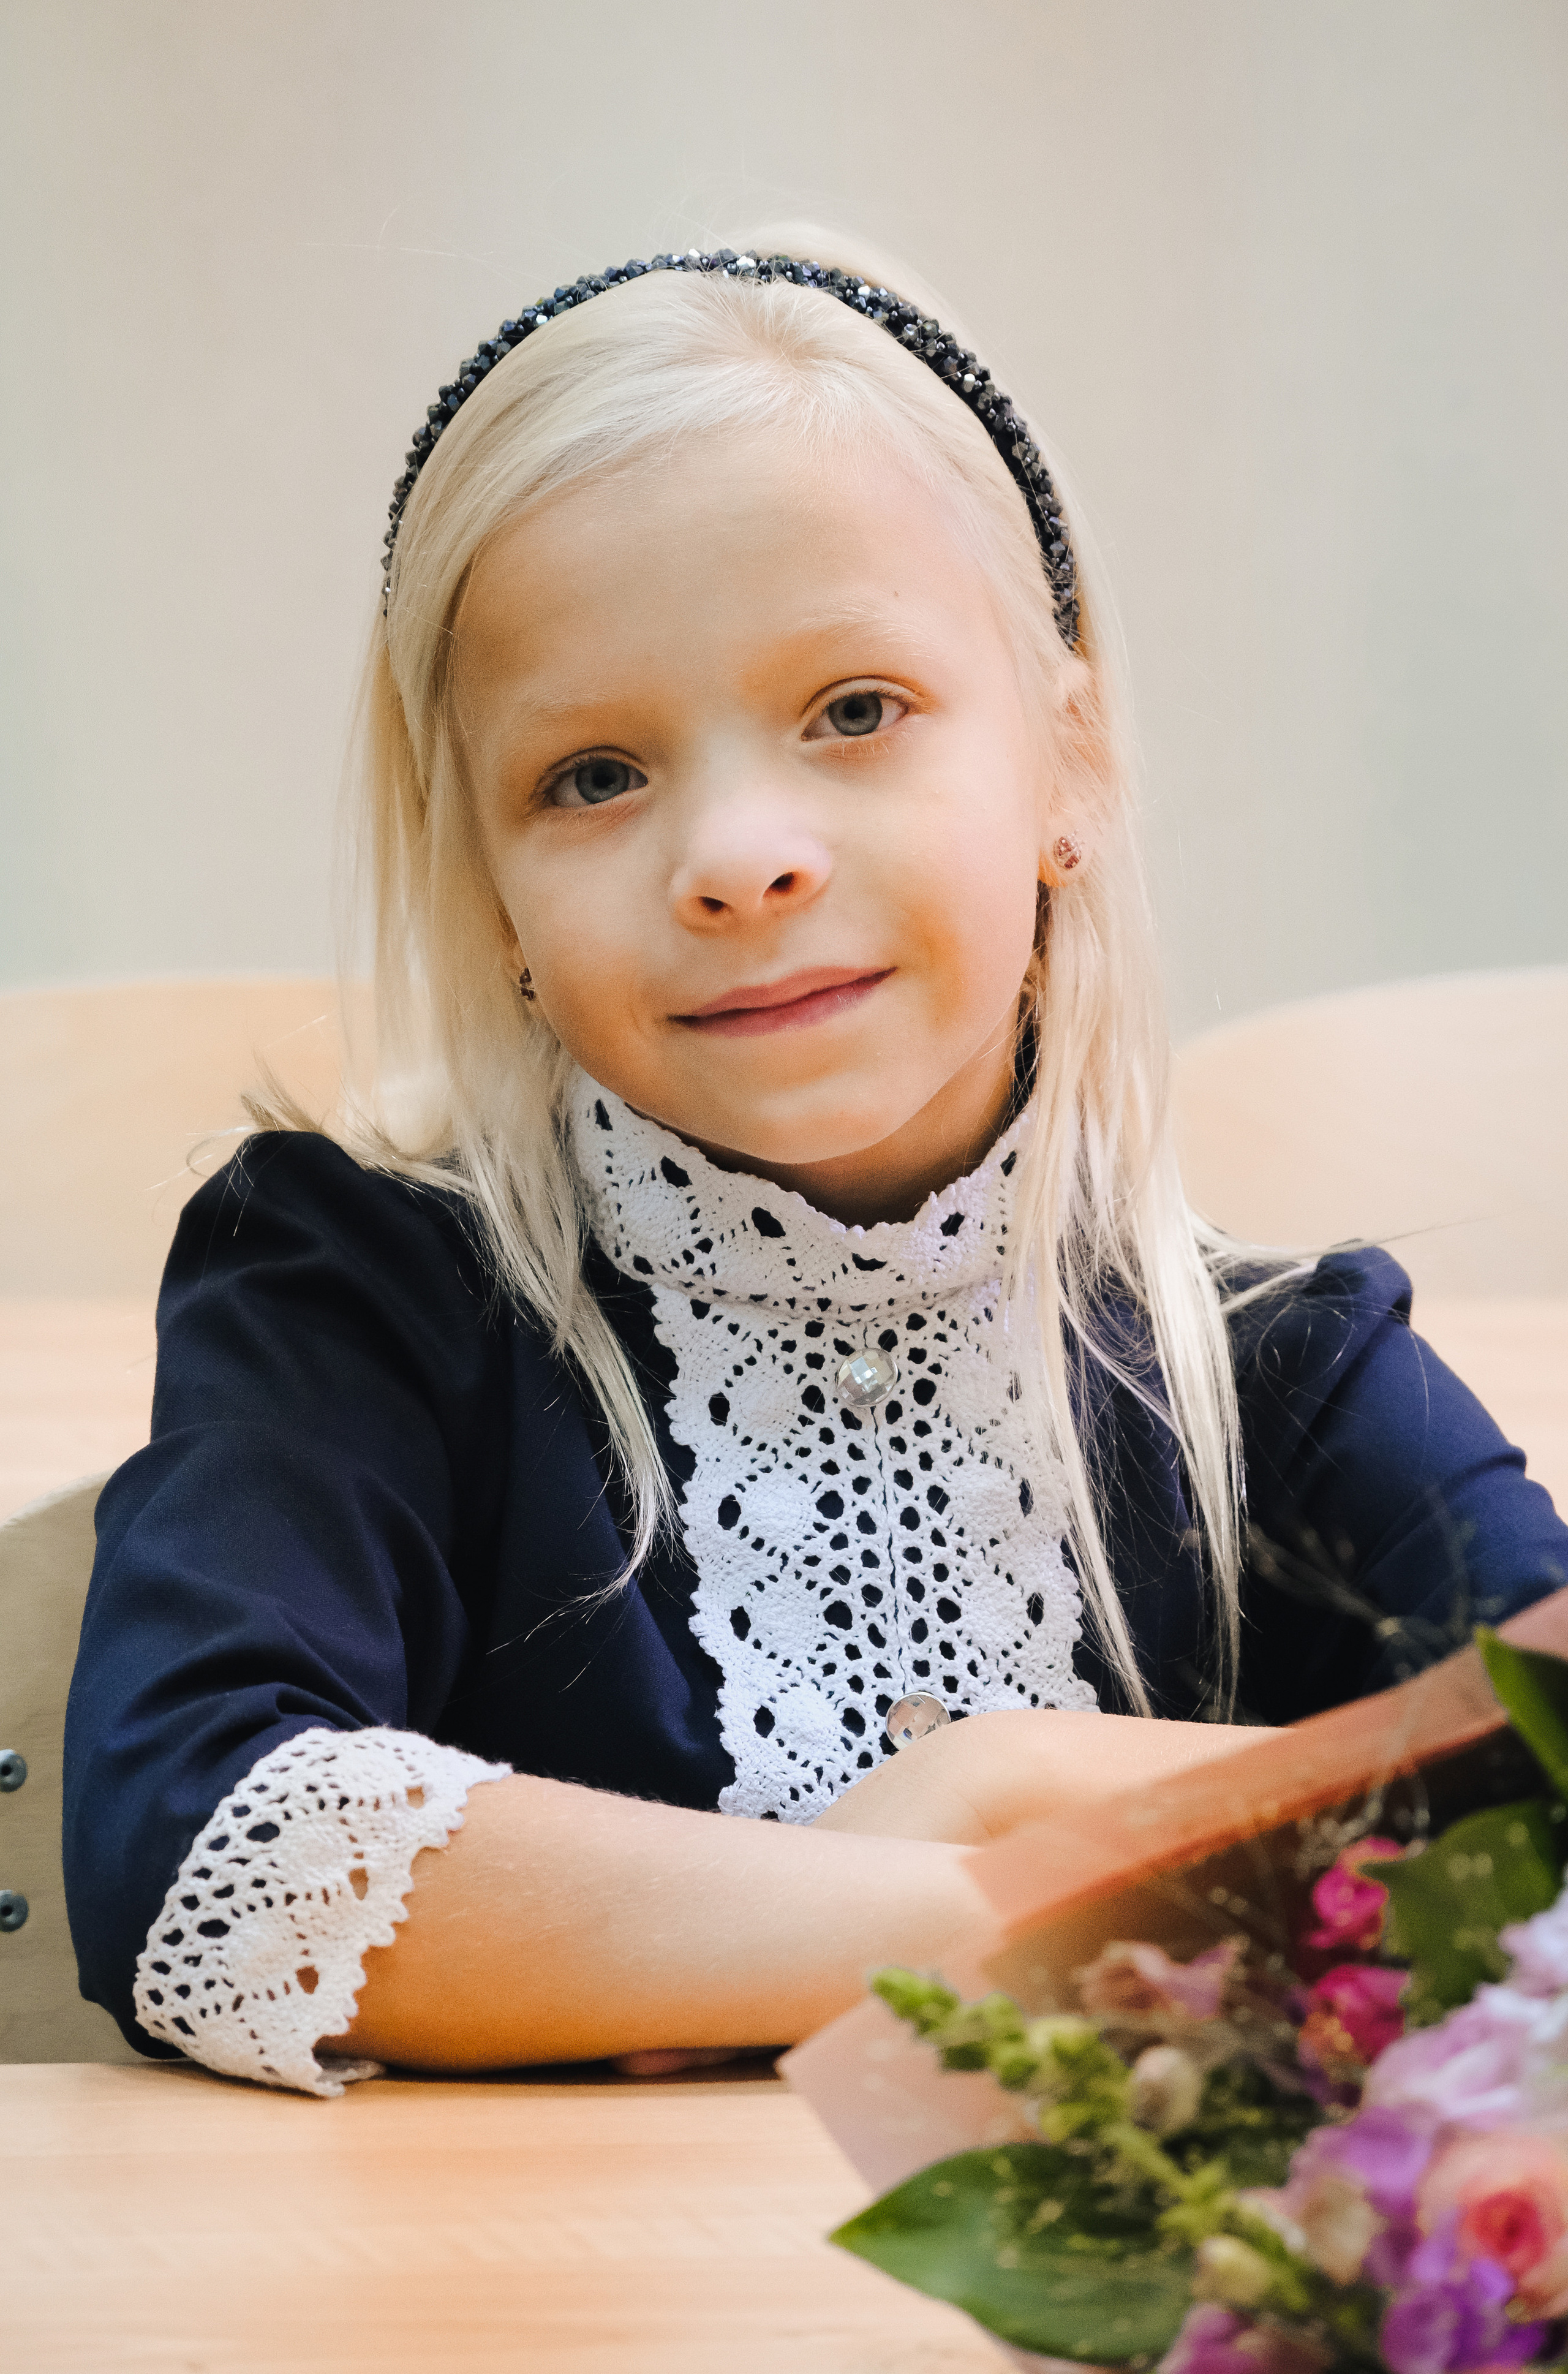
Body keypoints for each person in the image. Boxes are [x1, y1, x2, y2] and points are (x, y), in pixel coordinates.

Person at [62, 233, 1568, 2100]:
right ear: (497, 894)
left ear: (1070, 768)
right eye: (592, 773)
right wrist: (1022, 1890)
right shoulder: (356, 1290)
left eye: (855, 710)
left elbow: (1552, 1786)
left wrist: (1016, 1771)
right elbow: (208, 1847)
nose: (737, 854)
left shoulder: (1279, 1365)